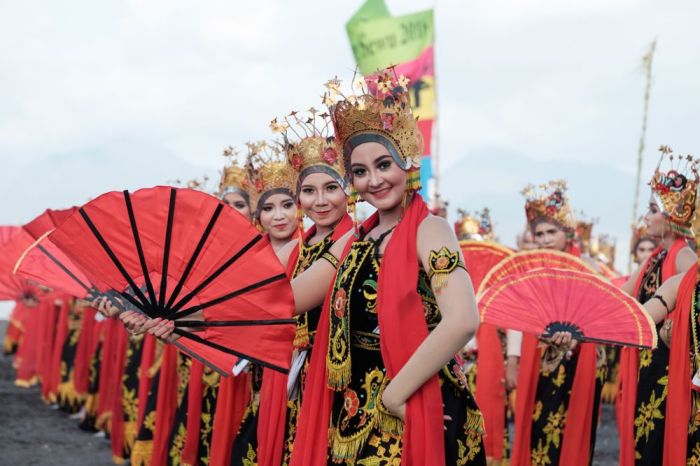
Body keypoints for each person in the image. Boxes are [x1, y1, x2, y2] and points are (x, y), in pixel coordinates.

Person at [511, 180, 606, 466]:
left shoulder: (587, 266)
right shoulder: (531, 269)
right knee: (539, 432)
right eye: (539, 233)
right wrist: (513, 359)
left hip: (580, 358)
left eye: (551, 231)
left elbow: (596, 314)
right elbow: (517, 315)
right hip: (541, 360)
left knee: (574, 432)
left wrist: (575, 338)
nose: (545, 239)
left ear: (567, 233)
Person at [617, 146, 698, 466]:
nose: (646, 218)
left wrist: (668, 327)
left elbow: (689, 306)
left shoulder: (684, 256)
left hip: (670, 366)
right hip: (649, 362)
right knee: (644, 440)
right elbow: (623, 296)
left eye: (653, 209)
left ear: (671, 214)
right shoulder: (657, 257)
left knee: (657, 443)